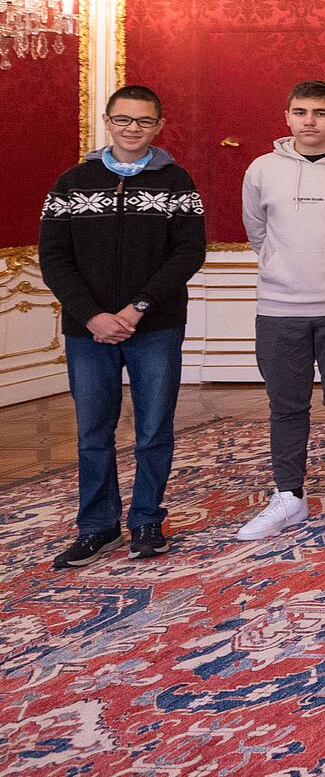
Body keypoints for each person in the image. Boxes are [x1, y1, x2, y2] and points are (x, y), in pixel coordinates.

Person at [40, 86, 206, 566]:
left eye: (144, 121)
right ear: (108, 122)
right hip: (87, 331)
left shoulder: (178, 183)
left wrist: (138, 308)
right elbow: (54, 258)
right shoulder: (72, 183)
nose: (133, 128)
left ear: (159, 126)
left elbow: (188, 253)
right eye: (124, 119)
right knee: (93, 431)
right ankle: (98, 527)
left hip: (156, 327)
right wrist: (92, 315)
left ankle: (147, 520)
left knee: (154, 429)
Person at [236, 80, 325, 541]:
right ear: (287, 117)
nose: (309, 121)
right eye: (300, 112)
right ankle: (289, 496)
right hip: (280, 307)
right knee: (286, 404)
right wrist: (284, 266)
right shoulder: (262, 169)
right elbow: (257, 232)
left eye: (320, 112)